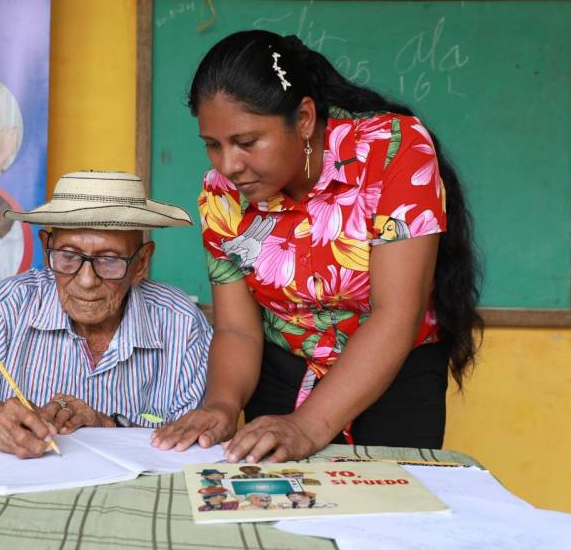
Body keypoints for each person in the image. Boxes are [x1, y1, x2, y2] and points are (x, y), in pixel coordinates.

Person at [152, 30, 482, 462]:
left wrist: (307, 425)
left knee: (384, 518)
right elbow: (237, 328)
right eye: (213, 145)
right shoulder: (220, 195)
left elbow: (396, 314)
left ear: (304, 118)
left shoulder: (392, 150)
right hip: (281, 374)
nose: (228, 165)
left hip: (394, 375)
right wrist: (222, 405)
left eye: (247, 142)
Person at [0, 171, 211, 458]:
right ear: (46, 248)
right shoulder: (11, 305)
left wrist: (109, 425)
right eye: (68, 256)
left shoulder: (181, 325)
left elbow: (197, 446)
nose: (86, 281)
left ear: (140, 263)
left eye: (110, 260)